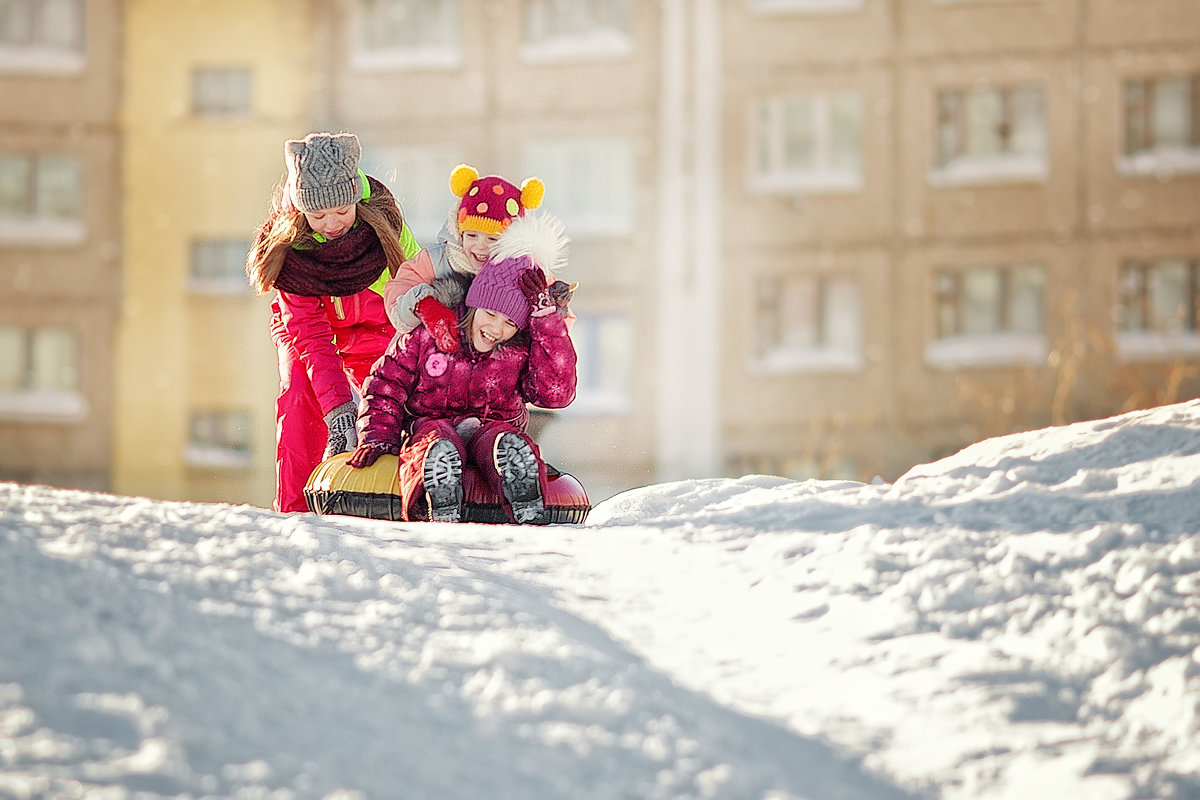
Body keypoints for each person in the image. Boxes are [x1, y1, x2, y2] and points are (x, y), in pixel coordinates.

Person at [347, 212, 575, 524]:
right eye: (491, 314)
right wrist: (378, 436)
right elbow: (386, 384)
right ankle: (440, 484)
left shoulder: (518, 351)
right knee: (435, 437)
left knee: (498, 439)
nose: (496, 328)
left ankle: (520, 484)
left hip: (491, 425)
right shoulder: (431, 333)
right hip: (432, 422)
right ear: (474, 303)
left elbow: (556, 393)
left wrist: (545, 318)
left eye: (510, 323)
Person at [246, 131, 420, 513]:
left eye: (341, 211)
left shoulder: (384, 229)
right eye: (318, 214)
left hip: (379, 326)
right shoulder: (293, 251)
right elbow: (310, 336)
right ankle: (297, 510)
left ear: (356, 199)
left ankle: (407, 499)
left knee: (400, 396)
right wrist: (338, 406)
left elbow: (419, 293)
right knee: (300, 397)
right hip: (310, 333)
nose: (332, 223)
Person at [382, 163, 546, 353]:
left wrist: (550, 306)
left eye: (493, 238)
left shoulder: (523, 270)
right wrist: (425, 306)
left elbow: (555, 326)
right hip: (422, 356)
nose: (481, 245)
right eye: (471, 236)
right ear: (459, 233)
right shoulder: (438, 259)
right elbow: (397, 293)